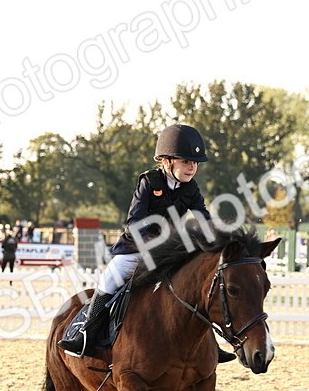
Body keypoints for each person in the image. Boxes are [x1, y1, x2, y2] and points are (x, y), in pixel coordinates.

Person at [59, 124, 226, 358]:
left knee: (197, 285)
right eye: (186, 161)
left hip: (170, 250)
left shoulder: (191, 188)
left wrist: (219, 237)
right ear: (167, 161)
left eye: (195, 163)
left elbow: (202, 216)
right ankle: (85, 334)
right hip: (136, 247)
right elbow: (134, 222)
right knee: (110, 279)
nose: (192, 168)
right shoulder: (149, 181)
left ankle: (211, 345)